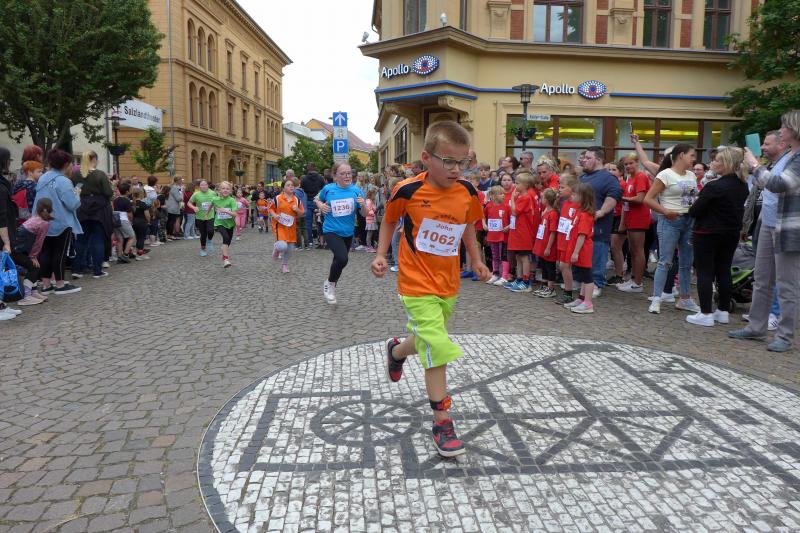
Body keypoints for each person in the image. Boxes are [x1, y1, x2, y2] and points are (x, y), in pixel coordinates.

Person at [371, 120, 489, 457]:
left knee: (425, 338)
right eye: (448, 161)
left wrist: (476, 260)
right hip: (415, 281)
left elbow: (468, 227)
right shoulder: (407, 190)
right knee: (436, 344)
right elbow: (389, 221)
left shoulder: (467, 192)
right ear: (426, 158)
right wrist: (380, 255)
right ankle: (442, 421)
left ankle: (396, 351)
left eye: (463, 162)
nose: (456, 169)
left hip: (448, 282)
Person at [730, 111, 800, 352]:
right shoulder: (787, 156)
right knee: (762, 279)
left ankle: (785, 336)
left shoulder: (798, 158)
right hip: (768, 224)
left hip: (788, 228)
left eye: (784, 126)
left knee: (786, 284)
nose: (781, 130)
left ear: (794, 129)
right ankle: (756, 327)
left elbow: (779, 185)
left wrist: (754, 165)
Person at [686, 147, 749, 327]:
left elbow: (694, 210)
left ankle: (705, 313)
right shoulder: (742, 185)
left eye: (716, 160)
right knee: (724, 270)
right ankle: (722, 311)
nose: (712, 162)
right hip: (730, 232)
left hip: (708, 232)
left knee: (705, 272)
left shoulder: (714, 186)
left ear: (726, 164)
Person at [644, 144, 701, 314]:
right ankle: (656, 298)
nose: (694, 159)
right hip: (670, 220)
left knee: (686, 262)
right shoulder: (665, 174)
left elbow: (692, 198)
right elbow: (648, 199)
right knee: (665, 261)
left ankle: (685, 298)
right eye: (691, 155)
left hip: (689, 220)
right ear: (681, 155)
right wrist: (665, 211)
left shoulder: (691, 175)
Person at [31, 150, 82, 294]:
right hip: (61, 222)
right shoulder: (63, 181)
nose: (72, 166)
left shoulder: (43, 178)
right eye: (71, 163)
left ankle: (46, 285)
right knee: (59, 254)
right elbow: (72, 204)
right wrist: (77, 195)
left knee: (45, 253)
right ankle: (60, 285)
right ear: (65, 164)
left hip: (43, 220)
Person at [315, 163, 367, 304]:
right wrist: (321, 205)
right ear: (335, 176)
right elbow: (317, 199)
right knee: (342, 258)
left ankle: (331, 283)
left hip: (348, 232)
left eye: (349, 173)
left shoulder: (357, 191)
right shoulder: (328, 189)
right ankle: (330, 283)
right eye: (343, 173)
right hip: (331, 230)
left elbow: (364, 213)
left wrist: (363, 205)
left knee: (338, 260)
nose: (347, 176)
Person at [578, 147, 622, 296]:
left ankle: (596, 283)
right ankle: (583, 281)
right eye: (584, 157)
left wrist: (602, 211)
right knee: (582, 254)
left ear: (598, 160)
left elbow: (614, 196)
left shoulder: (608, 178)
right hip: (581, 224)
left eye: (588, 158)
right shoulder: (583, 177)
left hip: (598, 225)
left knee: (597, 253)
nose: (584, 160)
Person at [72, 151, 113, 279]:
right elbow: (108, 192)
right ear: (94, 159)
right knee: (98, 240)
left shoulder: (76, 175)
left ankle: (76, 270)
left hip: (83, 207)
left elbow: (74, 190)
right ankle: (97, 271)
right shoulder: (100, 174)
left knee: (81, 240)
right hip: (99, 209)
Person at [617, 153, 651, 293]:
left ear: (637, 163)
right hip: (631, 217)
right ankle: (633, 279)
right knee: (633, 250)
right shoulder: (630, 178)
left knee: (638, 250)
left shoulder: (641, 176)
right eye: (626, 164)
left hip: (639, 217)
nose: (628, 166)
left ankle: (638, 283)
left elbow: (640, 198)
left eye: (631, 163)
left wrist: (623, 198)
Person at [11, 198, 54, 305]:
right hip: (16, 251)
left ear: (37, 208)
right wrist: (33, 256)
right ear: (51, 209)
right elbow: (39, 242)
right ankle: (26, 296)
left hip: (15, 249)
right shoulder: (44, 223)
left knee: (33, 266)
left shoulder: (34, 218)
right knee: (34, 267)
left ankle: (33, 292)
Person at [563, 183, 597, 314]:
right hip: (579, 248)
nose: (572, 196)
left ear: (583, 197)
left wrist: (576, 252)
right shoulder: (580, 212)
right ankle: (582, 299)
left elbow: (582, 235)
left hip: (583, 249)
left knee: (587, 276)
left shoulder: (585, 215)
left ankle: (588, 303)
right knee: (583, 275)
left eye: (575, 194)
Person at [506, 173, 537, 292]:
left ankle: (526, 281)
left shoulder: (526, 197)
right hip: (517, 231)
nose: (515, 185)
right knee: (518, 256)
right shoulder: (520, 196)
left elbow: (515, 211)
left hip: (523, 232)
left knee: (524, 257)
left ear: (525, 185)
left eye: (517, 183)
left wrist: (512, 199)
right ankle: (519, 279)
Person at [269, 179, 304, 273]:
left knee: (290, 248)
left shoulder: (297, 200)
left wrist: (297, 210)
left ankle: (285, 265)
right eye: (288, 185)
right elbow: (270, 209)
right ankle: (276, 249)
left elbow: (301, 213)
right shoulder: (277, 198)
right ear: (283, 188)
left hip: (291, 228)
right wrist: (275, 215)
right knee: (282, 246)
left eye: (292, 185)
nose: (291, 187)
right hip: (279, 226)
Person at [555, 174, 580, 305]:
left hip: (570, 241)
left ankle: (568, 293)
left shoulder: (577, 205)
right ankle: (567, 291)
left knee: (565, 266)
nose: (559, 189)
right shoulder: (565, 203)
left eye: (562, 187)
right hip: (562, 238)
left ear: (572, 188)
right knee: (562, 266)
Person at [532, 188, 559, 298]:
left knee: (549, 267)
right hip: (542, 244)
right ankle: (544, 285)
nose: (541, 199)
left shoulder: (553, 214)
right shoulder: (546, 212)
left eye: (542, 197)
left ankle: (551, 288)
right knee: (543, 265)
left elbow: (553, 232)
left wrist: (548, 247)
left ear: (547, 200)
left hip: (548, 246)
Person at [605, 160, 627, 285]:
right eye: (609, 169)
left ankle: (620, 275)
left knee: (616, 247)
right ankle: (618, 273)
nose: (611, 172)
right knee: (613, 247)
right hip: (611, 217)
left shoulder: (622, 185)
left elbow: (624, 205)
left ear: (621, 172)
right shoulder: (610, 183)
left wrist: (622, 222)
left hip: (619, 217)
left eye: (614, 170)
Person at [484, 185, 508, 285]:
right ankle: (495, 273)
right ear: (493, 196)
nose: (503, 195)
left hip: (503, 236)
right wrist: (484, 224)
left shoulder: (506, 206)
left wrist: (508, 227)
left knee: (503, 256)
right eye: (500, 194)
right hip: (492, 236)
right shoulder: (489, 206)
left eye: (504, 193)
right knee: (495, 255)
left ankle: (504, 276)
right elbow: (483, 215)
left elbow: (513, 219)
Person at [187, 179, 217, 257]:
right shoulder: (196, 194)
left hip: (210, 216)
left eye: (205, 185)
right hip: (200, 217)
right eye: (202, 185)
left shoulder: (213, 193)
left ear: (208, 186)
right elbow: (189, 203)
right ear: (199, 186)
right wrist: (194, 207)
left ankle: (209, 240)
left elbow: (217, 201)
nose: (204, 186)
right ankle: (203, 249)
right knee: (203, 235)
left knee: (210, 231)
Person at [211, 181, 237, 268]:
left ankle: (224, 251)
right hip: (219, 222)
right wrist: (207, 213)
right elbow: (211, 205)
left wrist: (225, 211)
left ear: (230, 191)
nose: (225, 190)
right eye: (223, 188)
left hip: (230, 223)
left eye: (227, 189)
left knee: (228, 241)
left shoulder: (232, 200)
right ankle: (226, 259)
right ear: (219, 190)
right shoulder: (215, 199)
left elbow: (235, 214)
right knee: (225, 238)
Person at [300, 163, 326, 250]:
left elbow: (302, 190)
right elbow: (323, 190)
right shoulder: (321, 178)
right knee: (320, 222)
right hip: (318, 201)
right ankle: (321, 241)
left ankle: (310, 242)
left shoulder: (304, 179)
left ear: (308, 169)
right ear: (315, 168)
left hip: (308, 201)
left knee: (308, 223)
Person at [112, 181, 136, 264]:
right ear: (127, 192)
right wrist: (131, 221)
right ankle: (125, 254)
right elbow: (130, 214)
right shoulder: (126, 201)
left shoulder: (115, 200)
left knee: (119, 239)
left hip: (116, 220)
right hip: (123, 220)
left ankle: (119, 257)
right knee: (132, 237)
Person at [130, 189, 151, 260]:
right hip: (142, 222)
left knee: (138, 238)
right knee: (141, 238)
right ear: (141, 194)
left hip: (134, 222)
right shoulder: (143, 204)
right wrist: (149, 221)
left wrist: (132, 221)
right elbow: (147, 215)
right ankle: (140, 254)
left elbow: (131, 215)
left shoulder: (132, 204)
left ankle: (137, 252)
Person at [292, 177, 308, 250]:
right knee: (304, 229)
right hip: (304, 212)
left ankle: (299, 245)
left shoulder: (294, 193)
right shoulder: (304, 192)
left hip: (297, 213)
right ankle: (306, 245)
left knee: (297, 229)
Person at [364, 188, 379, 252]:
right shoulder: (368, 201)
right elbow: (367, 211)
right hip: (370, 219)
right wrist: (373, 212)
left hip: (372, 219)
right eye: (375, 194)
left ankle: (370, 245)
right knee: (369, 233)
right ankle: (369, 246)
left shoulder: (370, 201)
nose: (375, 196)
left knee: (371, 233)